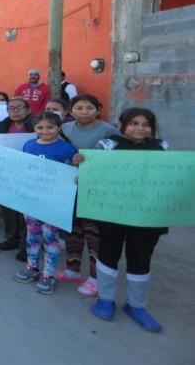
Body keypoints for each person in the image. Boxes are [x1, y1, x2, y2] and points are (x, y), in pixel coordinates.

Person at [86, 108, 167, 332]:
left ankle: (136, 306)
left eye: (145, 124)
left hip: (147, 215)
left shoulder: (162, 147)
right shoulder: (108, 145)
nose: (140, 128)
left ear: (152, 127)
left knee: (140, 258)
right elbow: (92, 171)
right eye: (134, 123)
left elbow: (170, 179)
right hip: (113, 214)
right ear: (121, 124)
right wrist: (81, 162)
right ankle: (105, 299)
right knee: (108, 255)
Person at [55, 95, 120, 297]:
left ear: (97, 110)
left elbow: (118, 159)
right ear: (71, 111)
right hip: (69, 188)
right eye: (79, 108)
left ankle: (95, 278)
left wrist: (88, 161)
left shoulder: (109, 131)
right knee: (73, 230)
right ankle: (72, 270)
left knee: (94, 235)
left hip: (96, 191)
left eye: (89, 108)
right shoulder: (64, 129)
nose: (84, 112)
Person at [11, 112, 78, 295]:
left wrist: (78, 166)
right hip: (32, 202)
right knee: (32, 237)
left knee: (50, 238)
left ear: (59, 128)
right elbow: (21, 167)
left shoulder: (67, 149)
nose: (45, 131)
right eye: (40, 127)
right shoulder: (29, 145)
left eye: (50, 127)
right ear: (35, 129)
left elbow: (76, 170)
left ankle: (48, 274)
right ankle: (32, 267)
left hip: (53, 204)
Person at [0, 97, 35, 259]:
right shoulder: (0, 127)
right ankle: (11, 238)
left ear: (28, 110)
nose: (15, 111)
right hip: (6, 174)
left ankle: (26, 244)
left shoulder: (37, 126)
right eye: (11, 108)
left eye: (19, 108)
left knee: (25, 211)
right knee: (7, 208)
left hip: (29, 175)